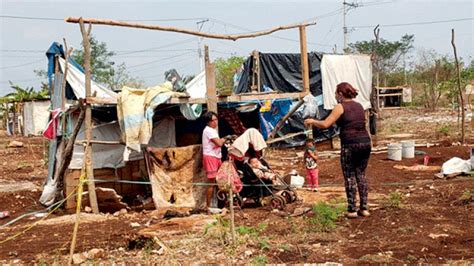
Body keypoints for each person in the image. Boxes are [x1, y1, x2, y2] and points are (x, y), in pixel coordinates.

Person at [304, 82, 372, 218]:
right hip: (365, 143)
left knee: (349, 176)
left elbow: (325, 124)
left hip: (350, 144)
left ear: (340, 94)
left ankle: (352, 209)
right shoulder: (359, 106)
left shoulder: (340, 107)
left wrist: (312, 121)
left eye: (336, 93)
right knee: (361, 175)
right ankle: (364, 208)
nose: (335, 96)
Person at [202, 111, 226, 209]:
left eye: (216, 119)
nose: (215, 122)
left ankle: (221, 204)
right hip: (210, 157)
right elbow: (219, 143)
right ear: (208, 122)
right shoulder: (208, 130)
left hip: (216, 156)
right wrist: (224, 139)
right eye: (213, 120)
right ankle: (208, 206)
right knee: (211, 182)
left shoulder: (213, 130)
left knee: (220, 180)